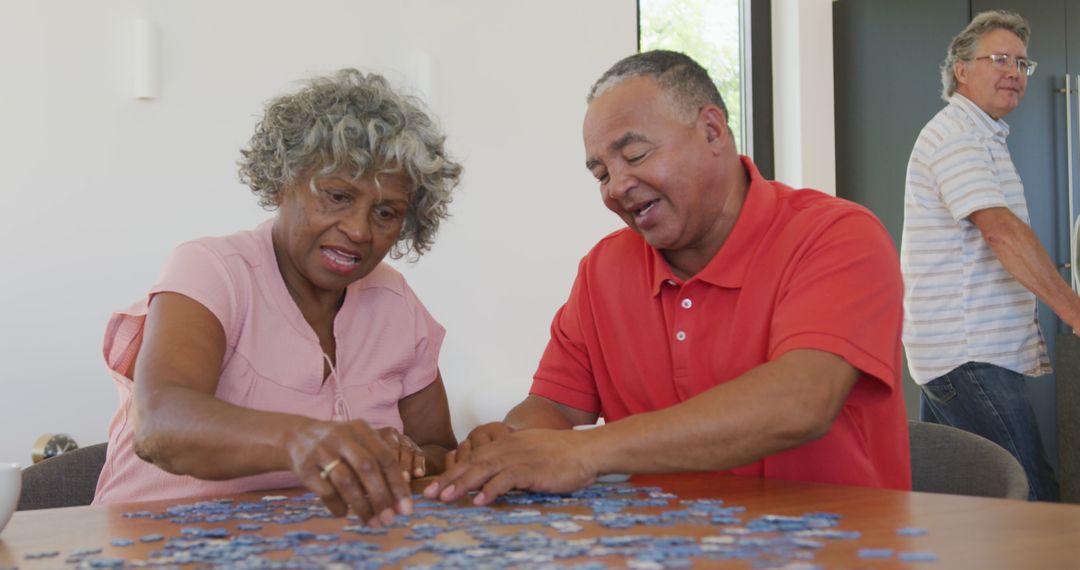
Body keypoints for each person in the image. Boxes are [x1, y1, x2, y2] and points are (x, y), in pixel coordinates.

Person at [424, 50, 909, 506]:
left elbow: (801, 401)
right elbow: (552, 408)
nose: (616, 187)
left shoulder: (836, 236)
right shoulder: (603, 269)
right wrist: (510, 440)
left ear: (713, 131)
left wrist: (586, 452)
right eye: (600, 173)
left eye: (634, 156)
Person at [93, 69, 463, 525]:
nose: (359, 230)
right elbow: (160, 424)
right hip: (159, 546)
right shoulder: (213, 269)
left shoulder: (395, 302)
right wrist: (304, 440)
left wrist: (402, 455)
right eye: (337, 196)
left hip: (325, 550)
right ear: (284, 181)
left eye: (385, 213)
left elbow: (440, 450)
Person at [901, 10, 1073, 501]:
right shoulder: (958, 136)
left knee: (962, 503)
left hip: (955, 355)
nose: (1014, 72)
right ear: (961, 70)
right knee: (1032, 501)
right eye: (999, 59)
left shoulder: (982, 136)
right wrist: (1074, 310)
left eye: (1021, 63)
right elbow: (1000, 232)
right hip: (969, 354)